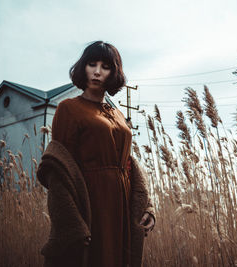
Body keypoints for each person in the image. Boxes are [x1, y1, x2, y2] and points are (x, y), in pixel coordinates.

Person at [37, 41, 155, 267]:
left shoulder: (118, 114)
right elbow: (58, 168)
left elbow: (128, 162)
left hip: (121, 204)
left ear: (114, 73)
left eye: (106, 66)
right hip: (91, 202)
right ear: (84, 67)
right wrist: (71, 222)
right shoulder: (68, 108)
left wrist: (146, 205)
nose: (98, 71)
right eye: (92, 64)